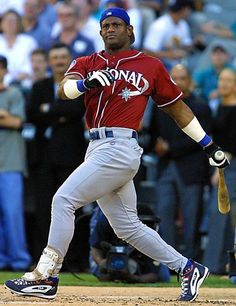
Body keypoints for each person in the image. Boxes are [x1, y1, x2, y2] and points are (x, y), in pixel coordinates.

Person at [5, 7, 229, 302]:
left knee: (63, 200)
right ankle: (187, 268)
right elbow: (64, 90)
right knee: (128, 227)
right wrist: (88, 83)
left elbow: (178, 109)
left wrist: (209, 145)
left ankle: (46, 276)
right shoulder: (88, 61)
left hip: (120, 146)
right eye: (105, 25)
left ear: (130, 30)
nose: (110, 29)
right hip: (97, 146)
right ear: (100, 32)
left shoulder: (150, 65)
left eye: (116, 24)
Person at [24, 43, 86, 261]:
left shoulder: (78, 85)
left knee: (72, 209)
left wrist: (48, 109)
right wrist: (60, 113)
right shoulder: (40, 85)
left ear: (69, 60)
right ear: (49, 61)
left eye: (63, 57)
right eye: (55, 57)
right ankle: (42, 260)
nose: (59, 61)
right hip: (43, 158)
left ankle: (73, 261)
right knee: (43, 210)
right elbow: (31, 113)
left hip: (70, 157)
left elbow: (77, 110)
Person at [149, 64, 212, 259]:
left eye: (182, 77)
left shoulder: (201, 106)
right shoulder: (161, 105)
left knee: (191, 218)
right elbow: (151, 134)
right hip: (165, 167)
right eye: (173, 78)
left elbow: (203, 138)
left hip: (191, 170)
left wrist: (170, 147)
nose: (177, 82)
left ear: (190, 81)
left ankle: (191, 261)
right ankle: (170, 262)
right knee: (163, 215)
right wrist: (156, 145)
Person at [203, 68, 236, 274]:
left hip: (229, 167)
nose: (223, 84)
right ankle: (224, 264)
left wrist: (220, 171)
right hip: (221, 164)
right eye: (221, 80)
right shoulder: (218, 106)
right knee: (221, 215)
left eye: (228, 80)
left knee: (220, 213)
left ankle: (213, 265)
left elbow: (232, 144)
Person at [0, 55, 31, 271]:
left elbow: (17, 122)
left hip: (10, 162)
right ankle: (1, 260)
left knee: (12, 213)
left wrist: (7, 118)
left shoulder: (13, 93)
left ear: (5, 70)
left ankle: (19, 260)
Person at [89, 205, 170, 283]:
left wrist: (135, 278)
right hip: (109, 256)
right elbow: (95, 247)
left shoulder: (155, 231)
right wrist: (103, 263)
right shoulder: (107, 221)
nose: (144, 227)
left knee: (163, 276)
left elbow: (154, 274)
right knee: (101, 273)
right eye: (141, 223)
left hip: (141, 259)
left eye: (147, 224)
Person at [143, 0, 193, 71]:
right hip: (158, 67)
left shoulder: (183, 24)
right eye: (188, 9)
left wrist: (193, 43)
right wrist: (169, 55)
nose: (189, 11)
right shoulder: (160, 25)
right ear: (183, 9)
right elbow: (147, 52)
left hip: (176, 66)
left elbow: (187, 45)